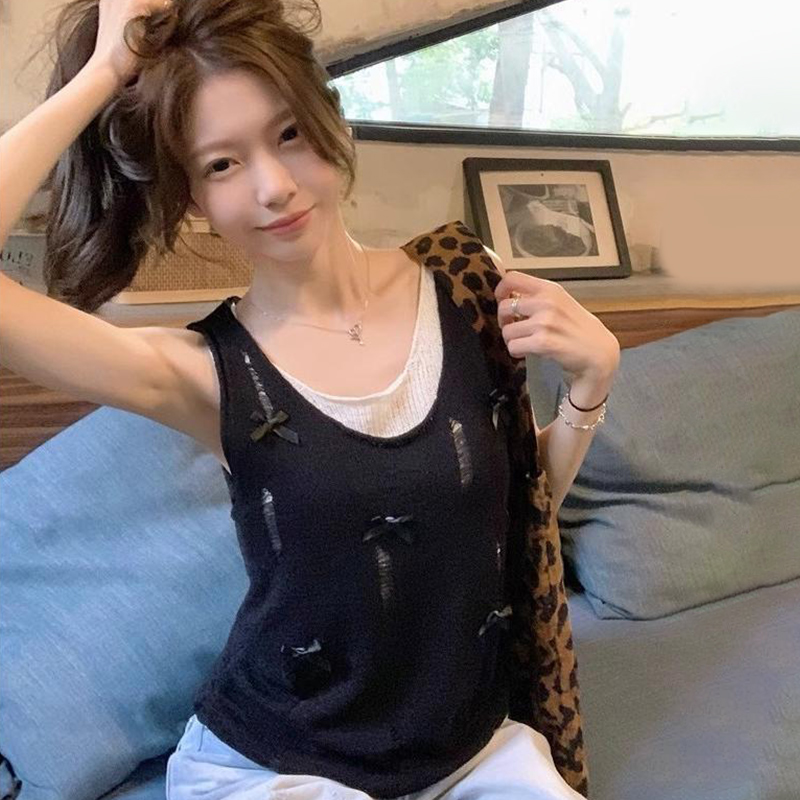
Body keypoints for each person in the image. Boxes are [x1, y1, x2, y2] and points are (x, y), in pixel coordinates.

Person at [0, 0, 620, 797]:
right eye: (221, 165)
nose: (273, 186)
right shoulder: (203, 371)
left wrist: (589, 390)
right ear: (193, 198)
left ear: (333, 120)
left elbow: (514, 518)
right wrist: (103, 73)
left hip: (468, 748)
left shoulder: (467, 283)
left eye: (289, 133)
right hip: (280, 764)